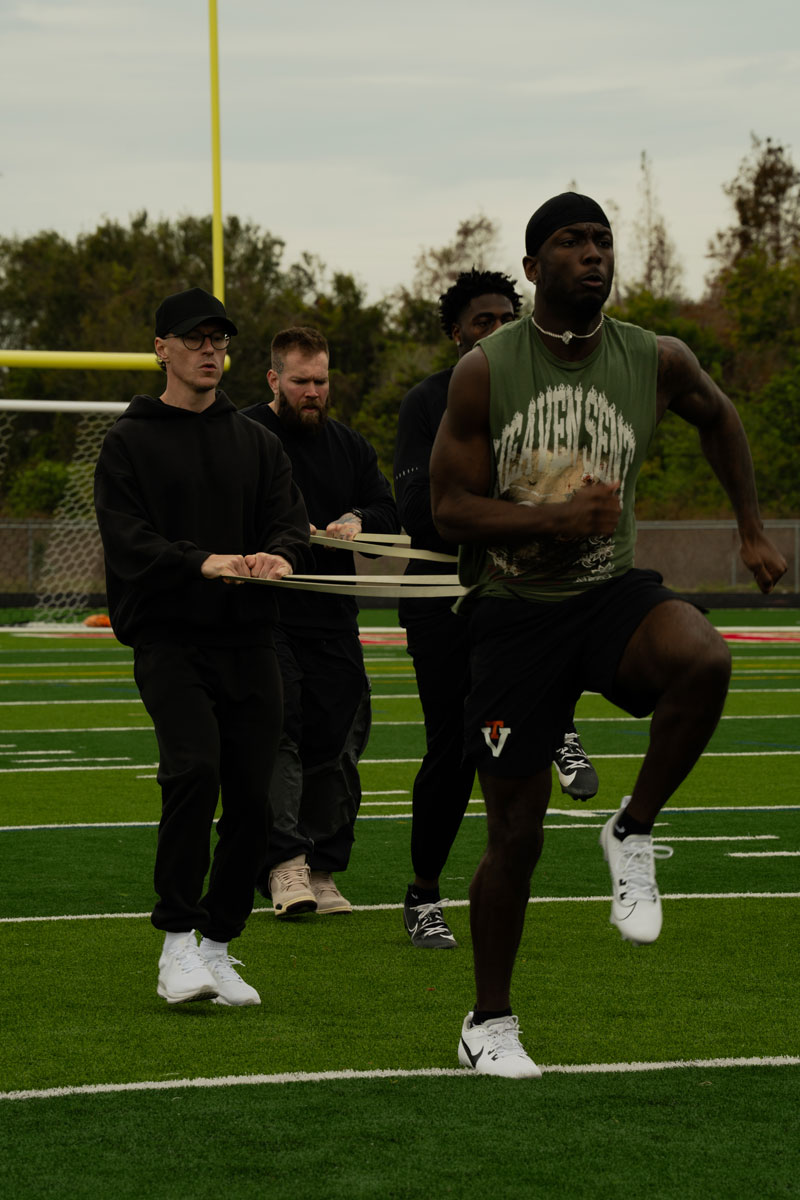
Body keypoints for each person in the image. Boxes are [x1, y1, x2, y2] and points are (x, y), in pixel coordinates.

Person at [429, 193, 787, 1078]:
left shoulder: (655, 357)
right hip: (513, 615)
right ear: (531, 267)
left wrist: (749, 529)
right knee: (516, 834)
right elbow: (447, 509)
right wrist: (549, 518)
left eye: (602, 240)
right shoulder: (485, 369)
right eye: (570, 242)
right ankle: (489, 1022)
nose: (592, 254)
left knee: (702, 656)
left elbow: (721, 418)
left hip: (606, 594)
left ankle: (632, 829)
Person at [94, 287, 311, 1007]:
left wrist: (278, 557)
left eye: (219, 339)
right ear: (162, 348)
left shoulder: (257, 441)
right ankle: (176, 943)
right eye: (195, 339)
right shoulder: (129, 440)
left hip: (250, 641)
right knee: (194, 771)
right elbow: (128, 541)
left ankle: (218, 945)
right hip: (170, 640)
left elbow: (288, 522)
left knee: (256, 802)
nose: (210, 350)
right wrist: (203, 561)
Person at [393, 269, 599, 951]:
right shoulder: (430, 402)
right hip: (442, 597)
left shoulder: (544, 399)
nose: (497, 329)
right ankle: (423, 894)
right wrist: (523, 514)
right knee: (453, 752)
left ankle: (559, 722)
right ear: (456, 333)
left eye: (506, 317)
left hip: (514, 592)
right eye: (482, 320)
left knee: (516, 741)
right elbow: (426, 513)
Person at [244, 327, 400, 919]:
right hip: (267, 614)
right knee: (280, 729)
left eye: (321, 381)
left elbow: (388, 510)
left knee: (340, 739)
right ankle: (284, 864)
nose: (313, 392)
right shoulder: (245, 435)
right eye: (301, 381)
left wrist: (361, 520)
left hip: (334, 616)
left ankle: (324, 865)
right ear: (274, 379)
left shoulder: (350, 447)